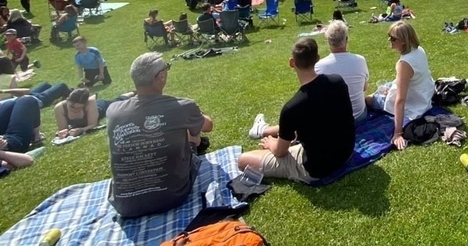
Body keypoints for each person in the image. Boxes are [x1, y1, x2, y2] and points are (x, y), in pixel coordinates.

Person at [107, 52, 213, 218]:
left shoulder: (113, 111)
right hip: (172, 196)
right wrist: (196, 113)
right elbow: (208, 125)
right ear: (161, 77)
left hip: (126, 204)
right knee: (192, 133)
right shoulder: (181, 106)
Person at [237, 38, 355, 183]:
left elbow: (280, 152)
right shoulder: (338, 81)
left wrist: (271, 145)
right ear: (317, 59)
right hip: (346, 153)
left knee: (243, 160)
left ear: (292, 63)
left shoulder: (292, 108)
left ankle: (264, 131)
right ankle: (264, 130)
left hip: (317, 168)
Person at [366, 21, 435, 150]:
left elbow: (400, 99)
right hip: (424, 95)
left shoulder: (404, 63)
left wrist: (398, 133)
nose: (389, 40)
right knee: (385, 87)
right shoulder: (419, 50)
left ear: (403, 41)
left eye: (393, 38)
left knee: (368, 99)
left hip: (414, 103)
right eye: (389, 36)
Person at [54, 88, 132, 140]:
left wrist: (82, 130)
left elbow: (93, 124)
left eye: (79, 108)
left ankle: (132, 93)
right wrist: (63, 133)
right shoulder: (60, 108)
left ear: (85, 104)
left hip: (99, 108)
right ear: (67, 100)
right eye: (71, 106)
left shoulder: (90, 102)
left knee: (116, 102)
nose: (74, 110)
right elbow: (63, 129)